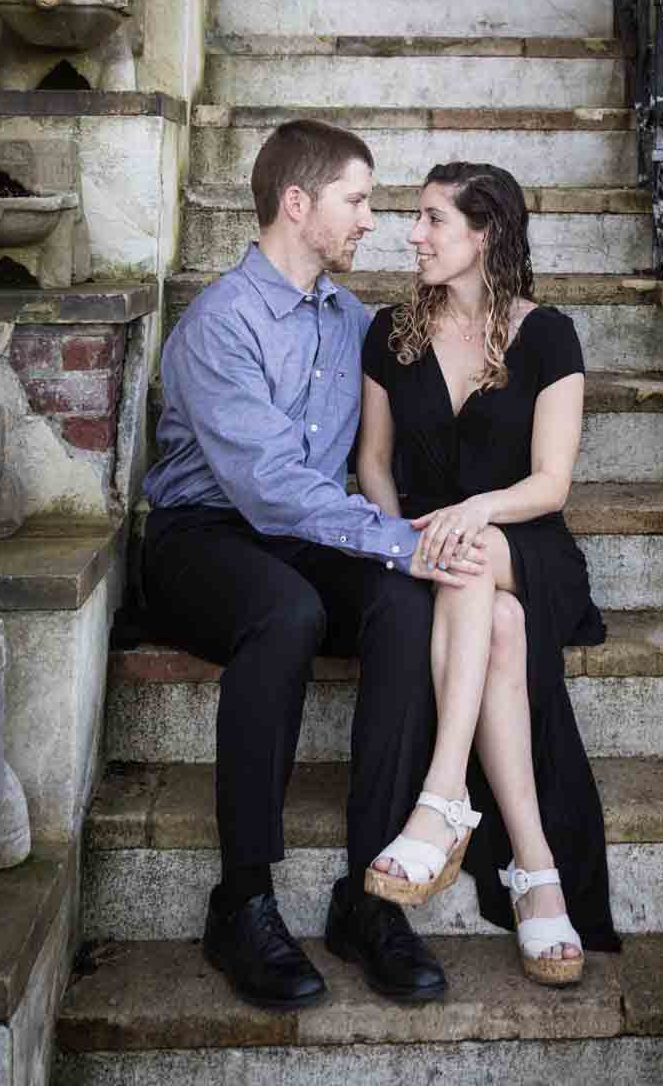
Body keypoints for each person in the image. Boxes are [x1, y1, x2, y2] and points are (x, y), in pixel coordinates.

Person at [140, 119, 486, 1010]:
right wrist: (402, 538)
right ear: (298, 205)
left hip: (305, 537)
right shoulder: (219, 324)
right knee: (287, 612)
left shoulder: (354, 322)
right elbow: (267, 491)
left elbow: (445, 378)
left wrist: (446, 535)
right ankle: (242, 898)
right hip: (201, 537)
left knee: (405, 606)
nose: (372, 221)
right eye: (358, 201)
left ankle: (368, 900)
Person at [356, 161, 619, 985]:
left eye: (433, 220)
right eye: (415, 218)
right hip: (431, 541)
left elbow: (551, 483)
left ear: (485, 235)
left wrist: (474, 512)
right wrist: (406, 534)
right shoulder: (390, 331)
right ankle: (537, 873)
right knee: (493, 617)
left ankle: (440, 798)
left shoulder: (548, 335)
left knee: (474, 562)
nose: (414, 235)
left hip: (525, 540)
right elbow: (371, 462)